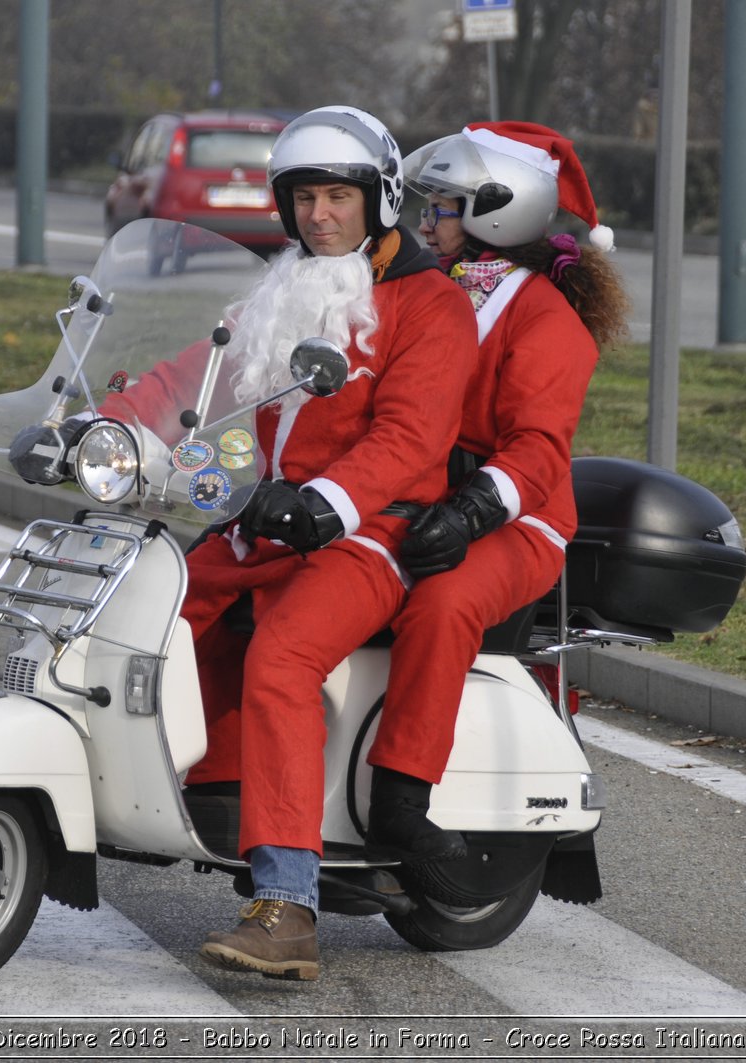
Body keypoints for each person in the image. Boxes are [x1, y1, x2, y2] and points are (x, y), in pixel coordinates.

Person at [159, 105, 478, 982]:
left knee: (283, 656)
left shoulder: (431, 304)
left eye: (338, 196)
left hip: (370, 538)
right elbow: (198, 370)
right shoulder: (281, 288)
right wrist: (103, 420)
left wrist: (328, 501)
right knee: (132, 612)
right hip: (266, 523)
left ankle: (288, 902)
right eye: (303, 198)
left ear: (378, 199)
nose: (319, 216)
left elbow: (410, 441)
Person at [360, 122, 632, 865]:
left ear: (496, 210)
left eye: (442, 207)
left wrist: (471, 509)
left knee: (443, 603)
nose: (425, 221)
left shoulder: (545, 317)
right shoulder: (424, 292)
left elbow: (538, 448)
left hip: (518, 522)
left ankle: (401, 798)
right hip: (420, 496)